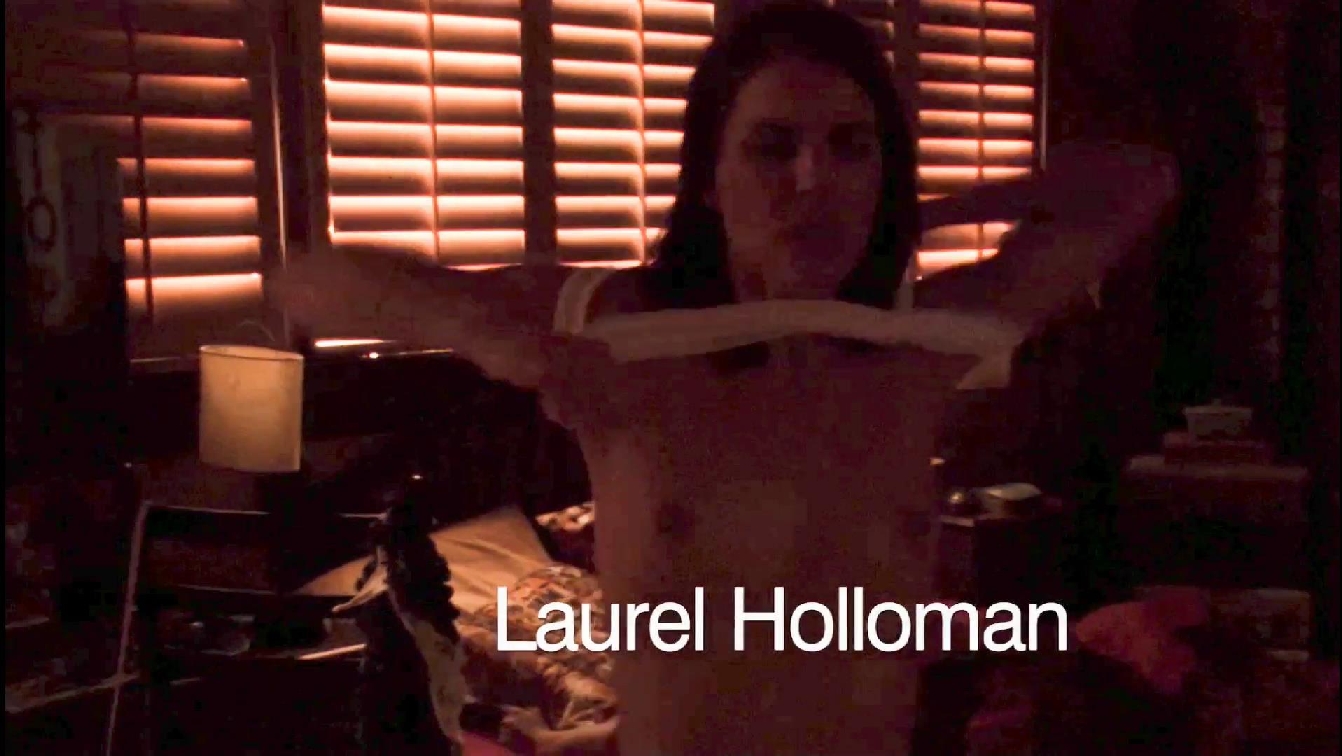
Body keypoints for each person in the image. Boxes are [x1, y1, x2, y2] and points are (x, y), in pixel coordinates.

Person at [278, 3, 1179, 753]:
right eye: (772, 147)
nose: (814, 179)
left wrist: (929, 208)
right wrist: (493, 338)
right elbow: (310, 280)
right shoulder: (618, 328)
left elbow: (1139, 182)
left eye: (852, 147)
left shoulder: (921, 341)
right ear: (710, 179)